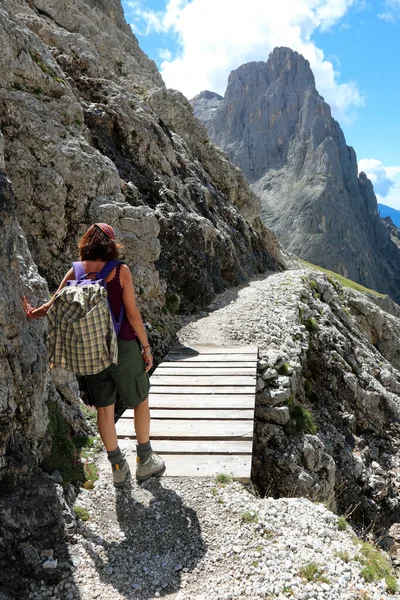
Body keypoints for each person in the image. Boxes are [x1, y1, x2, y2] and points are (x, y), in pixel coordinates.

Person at [23, 223, 165, 487]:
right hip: (122, 347)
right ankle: (145, 461)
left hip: (90, 350)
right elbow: (132, 313)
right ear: (111, 245)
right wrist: (145, 347)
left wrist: (31, 313)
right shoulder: (120, 271)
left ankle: (118, 467)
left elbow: (52, 306)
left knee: (104, 409)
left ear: (86, 244)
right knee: (140, 400)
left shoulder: (76, 271)